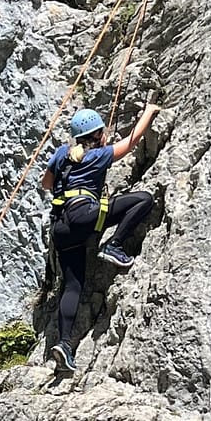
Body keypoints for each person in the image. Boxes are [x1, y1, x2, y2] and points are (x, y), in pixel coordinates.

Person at [41, 102, 162, 372]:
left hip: (61, 227)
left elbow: (46, 184)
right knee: (142, 199)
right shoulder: (97, 155)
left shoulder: (62, 153)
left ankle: (63, 344)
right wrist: (149, 112)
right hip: (85, 215)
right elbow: (131, 143)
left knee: (72, 287)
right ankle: (114, 244)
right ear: (97, 135)